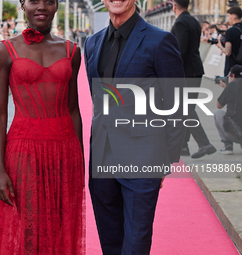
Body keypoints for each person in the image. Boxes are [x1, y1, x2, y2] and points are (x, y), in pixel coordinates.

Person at [84, 0, 186, 254]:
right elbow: (97, 99)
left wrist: (166, 159)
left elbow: (177, 104)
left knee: (136, 242)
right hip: (102, 158)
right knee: (110, 240)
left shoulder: (160, 41)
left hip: (143, 158)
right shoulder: (92, 43)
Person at [0, 0, 85, 253]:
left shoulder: (72, 51)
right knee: (29, 229)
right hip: (24, 153)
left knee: (61, 227)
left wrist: (81, 159)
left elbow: (73, 109)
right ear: (23, 5)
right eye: (34, 1)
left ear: (56, 7)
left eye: (49, 2)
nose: (41, 7)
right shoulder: (4, 50)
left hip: (65, 151)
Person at [171, 0, 216, 159]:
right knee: (187, 108)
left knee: (185, 109)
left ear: (175, 6)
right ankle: (184, 146)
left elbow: (180, 50)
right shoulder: (193, 20)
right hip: (195, 69)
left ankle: (204, 143)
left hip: (186, 71)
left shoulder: (181, 22)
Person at [215, 64, 242, 154]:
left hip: (236, 133)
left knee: (218, 114)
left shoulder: (231, 86)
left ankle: (228, 147)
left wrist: (227, 88)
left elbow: (219, 105)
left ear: (233, 75)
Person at [217, 6, 242, 76]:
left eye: (228, 16)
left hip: (233, 68)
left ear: (234, 17)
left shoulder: (230, 31)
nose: (228, 19)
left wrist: (220, 46)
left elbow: (228, 52)